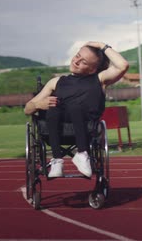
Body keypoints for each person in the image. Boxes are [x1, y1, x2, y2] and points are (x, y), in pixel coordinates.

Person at [24, 41, 128, 178]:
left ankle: (82, 154)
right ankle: (57, 160)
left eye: (84, 62)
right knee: (53, 109)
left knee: (75, 106)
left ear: (92, 69)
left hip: (86, 127)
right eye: (77, 56)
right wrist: (38, 105)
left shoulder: (99, 79)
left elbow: (123, 66)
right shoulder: (56, 82)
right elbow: (27, 109)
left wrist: (101, 45)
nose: (76, 61)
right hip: (56, 127)